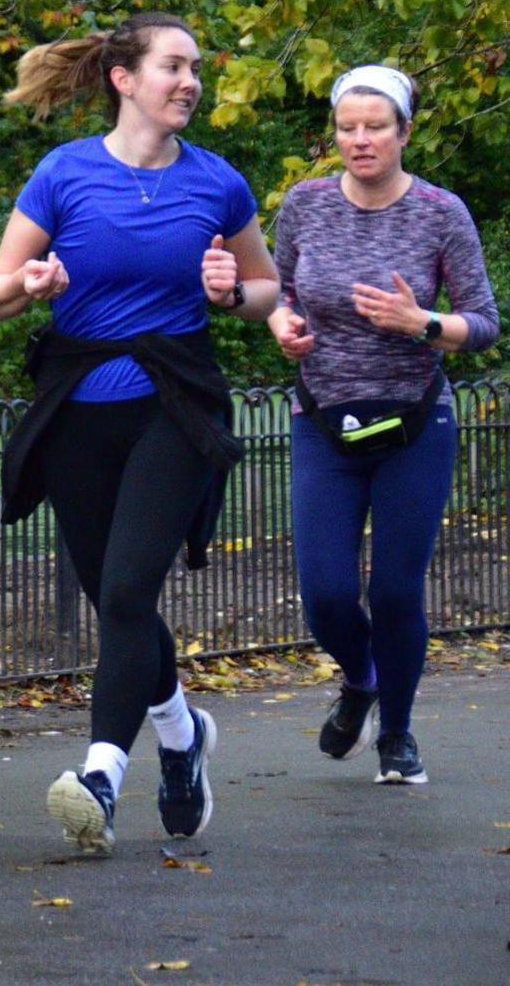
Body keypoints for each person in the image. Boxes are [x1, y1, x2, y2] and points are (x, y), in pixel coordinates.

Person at [0, 12, 280, 854]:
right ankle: (182, 736)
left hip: (175, 404)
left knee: (122, 593)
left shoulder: (218, 183)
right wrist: (32, 282)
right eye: (173, 67)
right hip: (79, 407)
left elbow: (267, 291)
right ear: (125, 79)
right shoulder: (64, 174)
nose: (190, 82)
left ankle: (102, 777)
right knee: (122, 602)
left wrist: (230, 291)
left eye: (195, 70)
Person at [267, 64, 499, 784]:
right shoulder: (303, 207)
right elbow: (275, 291)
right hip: (324, 421)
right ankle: (362, 680)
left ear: (404, 131)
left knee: (396, 590)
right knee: (328, 592)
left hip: (414, 422)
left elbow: (485, 323)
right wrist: (282, 323)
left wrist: (422, 322)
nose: (360, 141)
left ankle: (396, 733)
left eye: (375, 127)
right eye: (347, 128)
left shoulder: (440, 212)